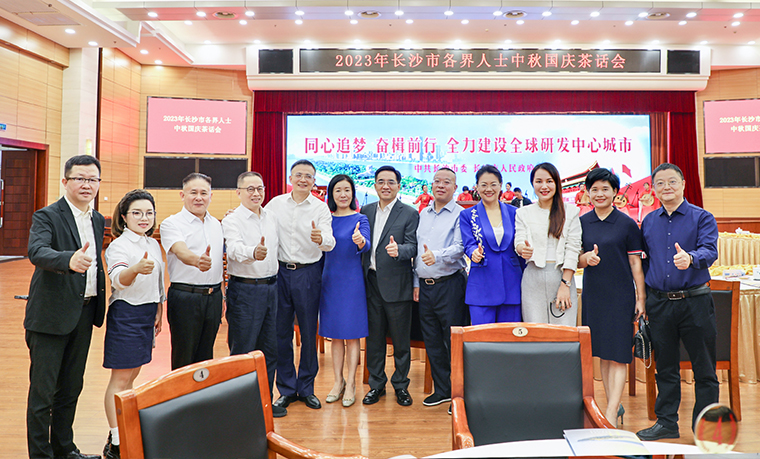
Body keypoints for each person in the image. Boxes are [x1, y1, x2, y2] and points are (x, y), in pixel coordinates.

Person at [25, 155, 105, 459]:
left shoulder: (97, 219)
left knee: (70, 389)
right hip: (50, 315)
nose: (87, 185)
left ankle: (64, 449)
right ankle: (40, 455)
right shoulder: (47, 216)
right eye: (80, 178)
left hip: (84, 313)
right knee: (43, 394)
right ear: (65, 181)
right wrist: (67, 260)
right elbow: (37, 251)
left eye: (92, 179)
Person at [636, 163, 719, 441]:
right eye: (660, 183)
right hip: (660, 304)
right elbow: (644, 262)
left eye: (672, 181)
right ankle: (667, 423)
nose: (666, 187)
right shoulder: (649, 222)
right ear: (654, 189)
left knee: (704, 369)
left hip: (695, 302)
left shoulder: (702, 217)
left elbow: (710, 250)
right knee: (665, 368)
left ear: (683, 184)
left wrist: (691, 258)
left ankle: (705, 429)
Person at [578, 169, 646, 427]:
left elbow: (635, 264)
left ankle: (610, 412)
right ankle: (613, 406)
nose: (599, 194)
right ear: (588, 193)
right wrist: (586, 259)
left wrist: (641, 298)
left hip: (620, 296)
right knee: (604, 353)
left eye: (605, 189)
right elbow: (575, 259)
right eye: (594, 189)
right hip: (594, 295)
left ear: (615, 192)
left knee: (618, 353)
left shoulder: (626, 223)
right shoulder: (583, 223)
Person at [266, 160, 335, 410]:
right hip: (280, 272)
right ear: (290, 178)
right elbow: (258, 222)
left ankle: (306, 388)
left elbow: (330, 241)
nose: (303, 179)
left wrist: (321, 238)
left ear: (314, 181)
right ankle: (286, 388)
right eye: (299, 175)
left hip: (308, 273)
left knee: (308, 331)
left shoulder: (320, 208)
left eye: (308, 176)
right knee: (281, 333)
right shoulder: (275, 204)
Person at [102, 190, 165, 459]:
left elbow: (159, 282)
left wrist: (159, 309)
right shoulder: (119, 246)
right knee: (120, 379)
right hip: (127, 314)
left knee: (132, 375)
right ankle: (116, 442)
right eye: (137, 213)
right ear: (124, 216)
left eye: (149, 213)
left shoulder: (152, 243)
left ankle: (124, 427)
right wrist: (135, 269)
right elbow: (118, 280)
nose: (144, 218)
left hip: (147, 313)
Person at [221, 172, 286, 418]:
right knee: (243, 350)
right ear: (239, 192)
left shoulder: (271, 217)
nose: (256, 193)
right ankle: (239, 407)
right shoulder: (232, 219)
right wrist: (252, 252)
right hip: (245, 289)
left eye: (260, 188)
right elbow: (233, 249)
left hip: (271, 288)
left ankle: (264, 403)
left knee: (269, 349)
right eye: (250, 189)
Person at [361, 165, 419, 407]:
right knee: (374, 340)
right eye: (381, 181)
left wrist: (399, 250)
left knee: (400, 341)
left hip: (397, 285)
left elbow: (413, 246)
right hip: (371, 283)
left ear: (398, 186)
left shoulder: (409, 213)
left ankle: (401, 385)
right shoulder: (365, 211)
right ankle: (376, 385)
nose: (386, 186)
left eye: (391, 182)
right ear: (375, 185)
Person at [414, 167, 467, 407]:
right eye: (437, 181)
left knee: (452, 340)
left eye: (447, 182)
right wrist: (416, 282)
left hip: (450, 284)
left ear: (455, 187)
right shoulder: (423, 214)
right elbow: (417, 252)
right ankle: (443, 390)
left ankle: (459, 394)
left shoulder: (461, 214)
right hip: (425, 287)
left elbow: (460, 247)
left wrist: (436, 255)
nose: (441, 185)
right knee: (432, 339)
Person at [160, 173, 224, 370]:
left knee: (206, 357)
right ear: (182, 195)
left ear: (211, 196)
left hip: (213, 297)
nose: (199, 197)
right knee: (184, 357)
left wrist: (221, 296)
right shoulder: (171, 223)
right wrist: (197, 261)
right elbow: (180, 250)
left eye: (204, 193)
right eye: (193, 192)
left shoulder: (217, 224)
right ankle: (180, 392)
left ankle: (202, 392)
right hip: (186, 298)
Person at [319, 175, 371, 408]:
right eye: (338, 190)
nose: (343, 194)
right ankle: (337, 382)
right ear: (332, 194)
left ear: (353, 193)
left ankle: (351, 384)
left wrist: (360, 241)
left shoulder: (361, 219)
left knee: (352, 335)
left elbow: (366, 244)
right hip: (329, 281)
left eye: (347, 190)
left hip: (352, 283)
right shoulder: (326, 220)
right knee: (335, 335)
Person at [515, 162, 582, 326]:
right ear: (532, 184)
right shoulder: (523, 213)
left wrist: (565, 284)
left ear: (556, 183)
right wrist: (523, 249)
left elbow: (573, 249)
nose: (544, 186)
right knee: (536, 333)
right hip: (533, 278)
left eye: (549, 181)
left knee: (563, 333)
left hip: (561, 276)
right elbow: (519, 240)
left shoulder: (571, 212)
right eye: (539, 181)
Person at [460, 165, 523, 324]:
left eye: (493, 184)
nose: (489, 189)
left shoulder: (514, 213)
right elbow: (468, 244)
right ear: (477, 187)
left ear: (500, 185)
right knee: (482, 337)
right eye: (484, 185)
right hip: (481, 286)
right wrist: (474, 252)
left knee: (509, 337)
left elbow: (521, 241)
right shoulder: (468, 215)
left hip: (512, 285)